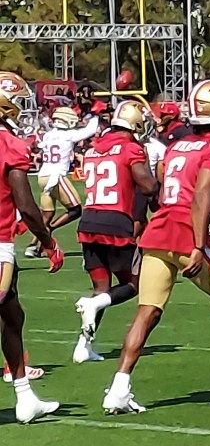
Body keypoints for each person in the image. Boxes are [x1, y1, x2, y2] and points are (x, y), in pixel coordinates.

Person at [101, 80, 210, 414]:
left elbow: (162, 186)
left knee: (147, 310)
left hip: (158, 231)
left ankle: (119, 389)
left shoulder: (177, 146)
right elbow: (200, 195)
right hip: (186, 233)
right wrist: (198, 244)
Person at [72, 101, 159, 364]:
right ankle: (93, 308)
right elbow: (147, 186)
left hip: (89, 220)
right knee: (134, 284)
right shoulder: (131, 148)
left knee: (101, 288)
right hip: (116, 222)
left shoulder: (94, 147)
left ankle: (83, 346)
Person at [0, 71, 64, 422]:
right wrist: (48, 241)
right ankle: (24, 397)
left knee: (13, 315)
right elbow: (26, 205)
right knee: (10, 316)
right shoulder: (9, 145)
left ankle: (25, 397)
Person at [24, 106, 100, 257]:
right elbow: (90, 130)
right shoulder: (68, 135)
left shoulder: (48, 135)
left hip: (43, 176)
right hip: (56, 176)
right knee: (75, 210)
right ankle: (49, 230)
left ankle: (32, 246)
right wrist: (95, 116)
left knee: (47, 214)